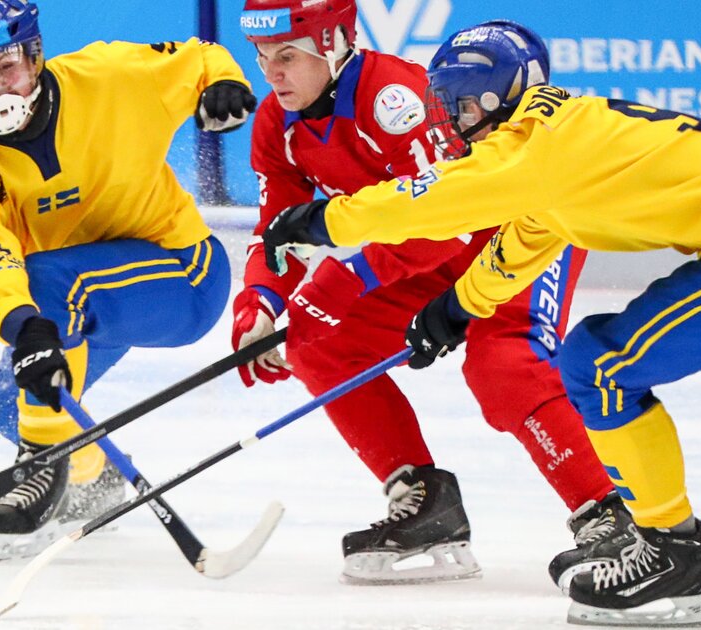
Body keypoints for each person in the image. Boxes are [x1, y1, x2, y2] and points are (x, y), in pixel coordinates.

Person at [261, 19, 701, 626]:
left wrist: (327, 218)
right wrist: (457, 308)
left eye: (462, 105)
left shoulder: (529, 149)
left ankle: (673, 555)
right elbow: (528, 239)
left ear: (499, 93)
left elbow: (428, 200)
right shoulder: (565, 136)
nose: (453, 123)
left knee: (597, 363)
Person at [235, 2, 624, 586]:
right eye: (263, 57)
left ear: (335, 41)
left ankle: (611, 516)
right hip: (428, 251)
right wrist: (260, 303)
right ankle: (423, 498)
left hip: (522, 229)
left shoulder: (395, 101)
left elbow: (449, 217)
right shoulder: (277, 124)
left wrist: (345, 278)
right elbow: (280, 230)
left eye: (287, 56)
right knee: (317, 340)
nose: (272, 74)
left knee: (505, 366)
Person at [0, 0, 257, 561]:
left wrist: (224, 84)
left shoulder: (111, 77)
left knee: (50, 288)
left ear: (34, 56)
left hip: (183, 275)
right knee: (12, 403)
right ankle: (92, 476)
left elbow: (202, 58)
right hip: (82, 299)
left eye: (4, 67)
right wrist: (24, 326)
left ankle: (40, 467)